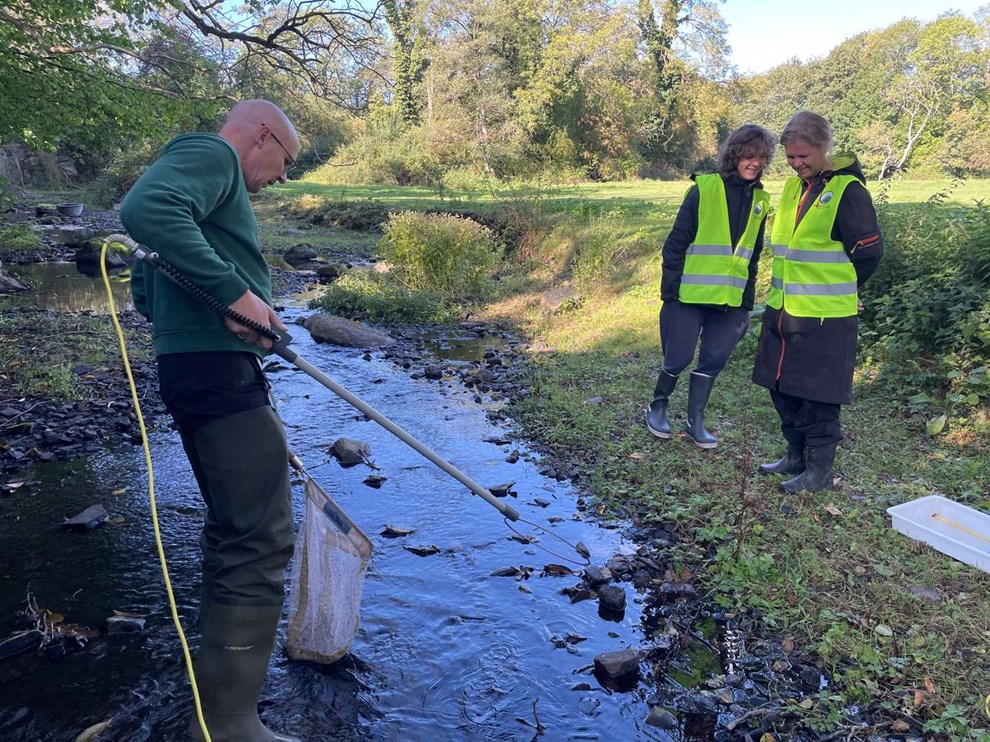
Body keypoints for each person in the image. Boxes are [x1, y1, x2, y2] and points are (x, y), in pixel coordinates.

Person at [120, 100, 301, 742]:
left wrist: (231, 309)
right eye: (287, 160)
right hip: (217, 375)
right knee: (259, 537)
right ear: (262, 135)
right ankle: (229, 724)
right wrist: (233, 295)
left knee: (234, 530)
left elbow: (147, 282)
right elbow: (145, 210)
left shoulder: (204, 178)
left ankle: (217, 705)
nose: (283, 176)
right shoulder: (213, 153)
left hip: (197, 370)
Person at [753, 111, 883, 494]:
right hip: (784, 310)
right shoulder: (794, 188)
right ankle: (795, 456)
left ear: (824, 147)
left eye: (803, 156)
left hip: (825, 318)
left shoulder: (848, 192)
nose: (796, 163)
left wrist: (849, 288)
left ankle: (819, 473)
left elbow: (869, 253)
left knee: (817, 396)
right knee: (781, 386)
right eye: (790, 157)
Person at [646, 124, 775, 448]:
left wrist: (746, 301)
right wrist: (670, 293)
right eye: (749, 155)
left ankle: (695, 421)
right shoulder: (704, 189)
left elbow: (753, 254)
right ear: (734, 154)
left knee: (713, 361)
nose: (755, 163)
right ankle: (658, 406)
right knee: (678, 358)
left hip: (731, 301)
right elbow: (675, 244)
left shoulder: (761, 201)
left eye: (761, 157)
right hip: (688, 296)